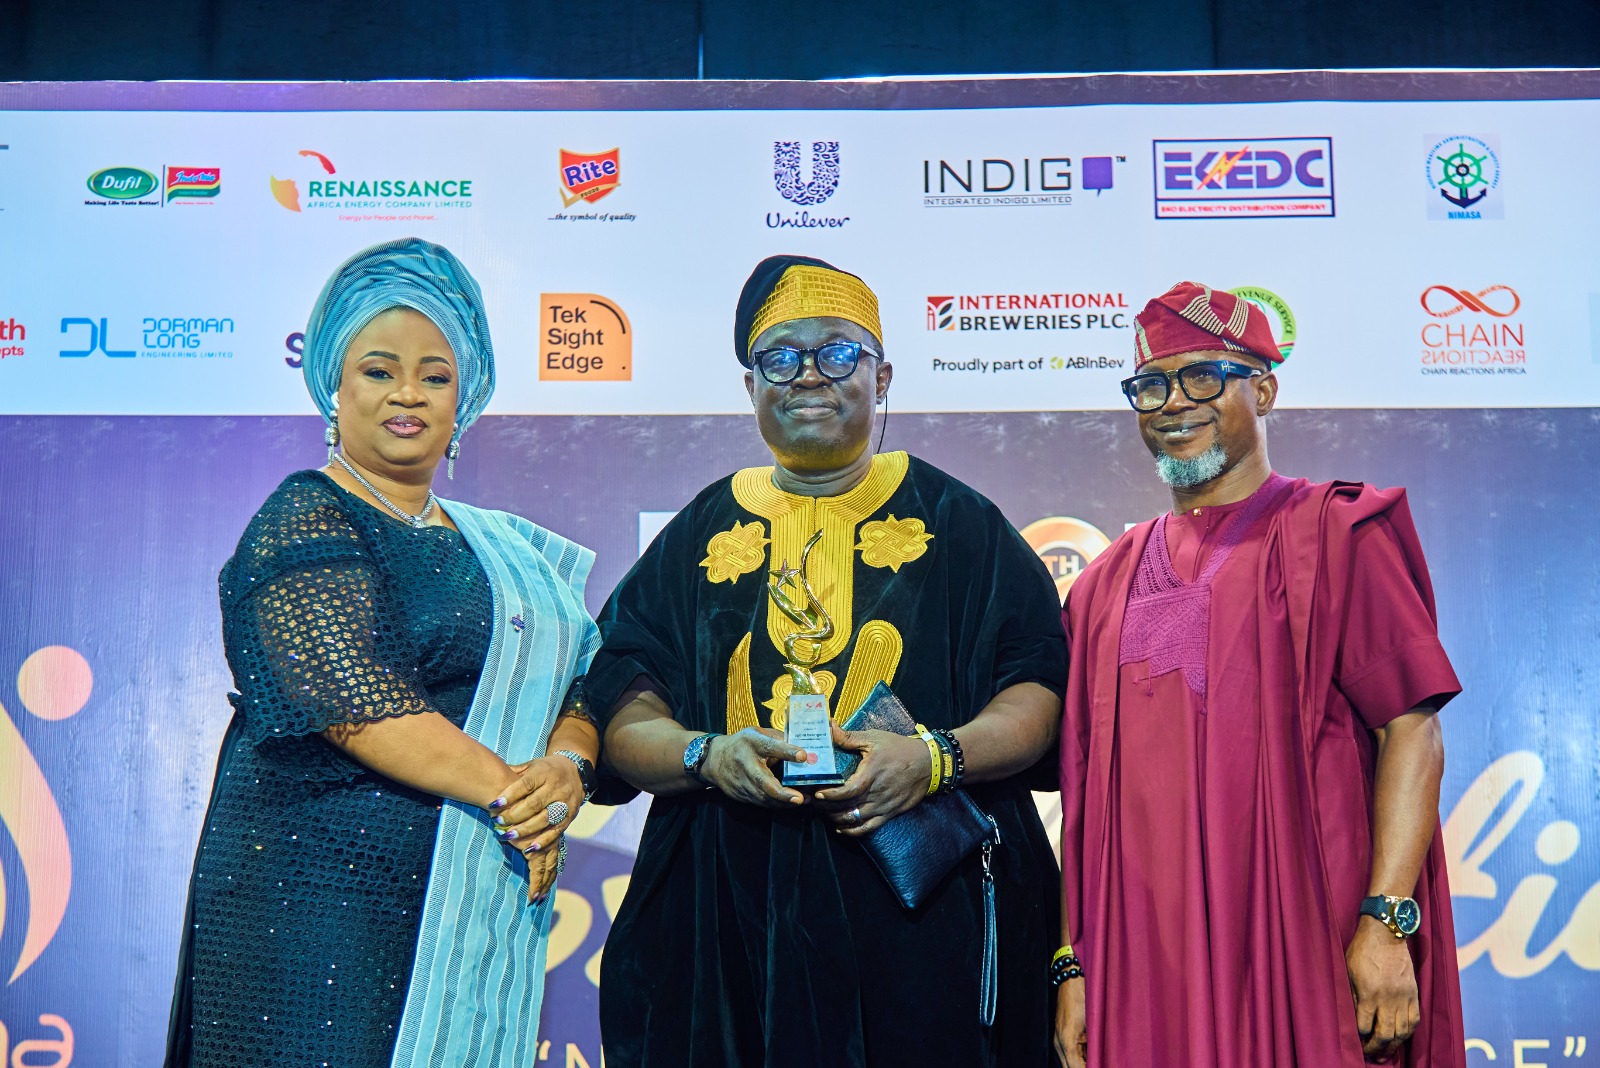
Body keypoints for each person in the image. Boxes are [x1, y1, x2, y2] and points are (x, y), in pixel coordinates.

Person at [585, 254, 1069, 1068]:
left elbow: (1037, 687)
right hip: (729, 912)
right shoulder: (701, 531)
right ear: (751, 388)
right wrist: (707, 755)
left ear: (883, 378)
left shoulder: (959, 522)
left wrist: (933, 758)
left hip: (928, 912)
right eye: (781, 357)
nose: (809, 374)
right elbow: (622, 705)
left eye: (839, 353)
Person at [165, 238, 602, 1068]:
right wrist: (519, 801)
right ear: (334, 384)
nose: (408, 394)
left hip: (465, 890)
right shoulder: (304, 516)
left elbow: (589, 675)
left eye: (435, 376)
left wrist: (567, 768)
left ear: (463, 399)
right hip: (313, 899)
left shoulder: (502, 550)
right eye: (378, 370)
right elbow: (352, 697)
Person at [1053, 281, 1466, 1068]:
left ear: (1265, 390)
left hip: (1307, 942)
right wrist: (1071, 962)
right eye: (1151, 386)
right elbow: (1081, 799)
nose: (1174, 402)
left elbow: (1411, 731)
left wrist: (1386, 923)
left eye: (1203, 376)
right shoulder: (1102, 584)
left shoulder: (1337, 534)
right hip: (1145, 963)